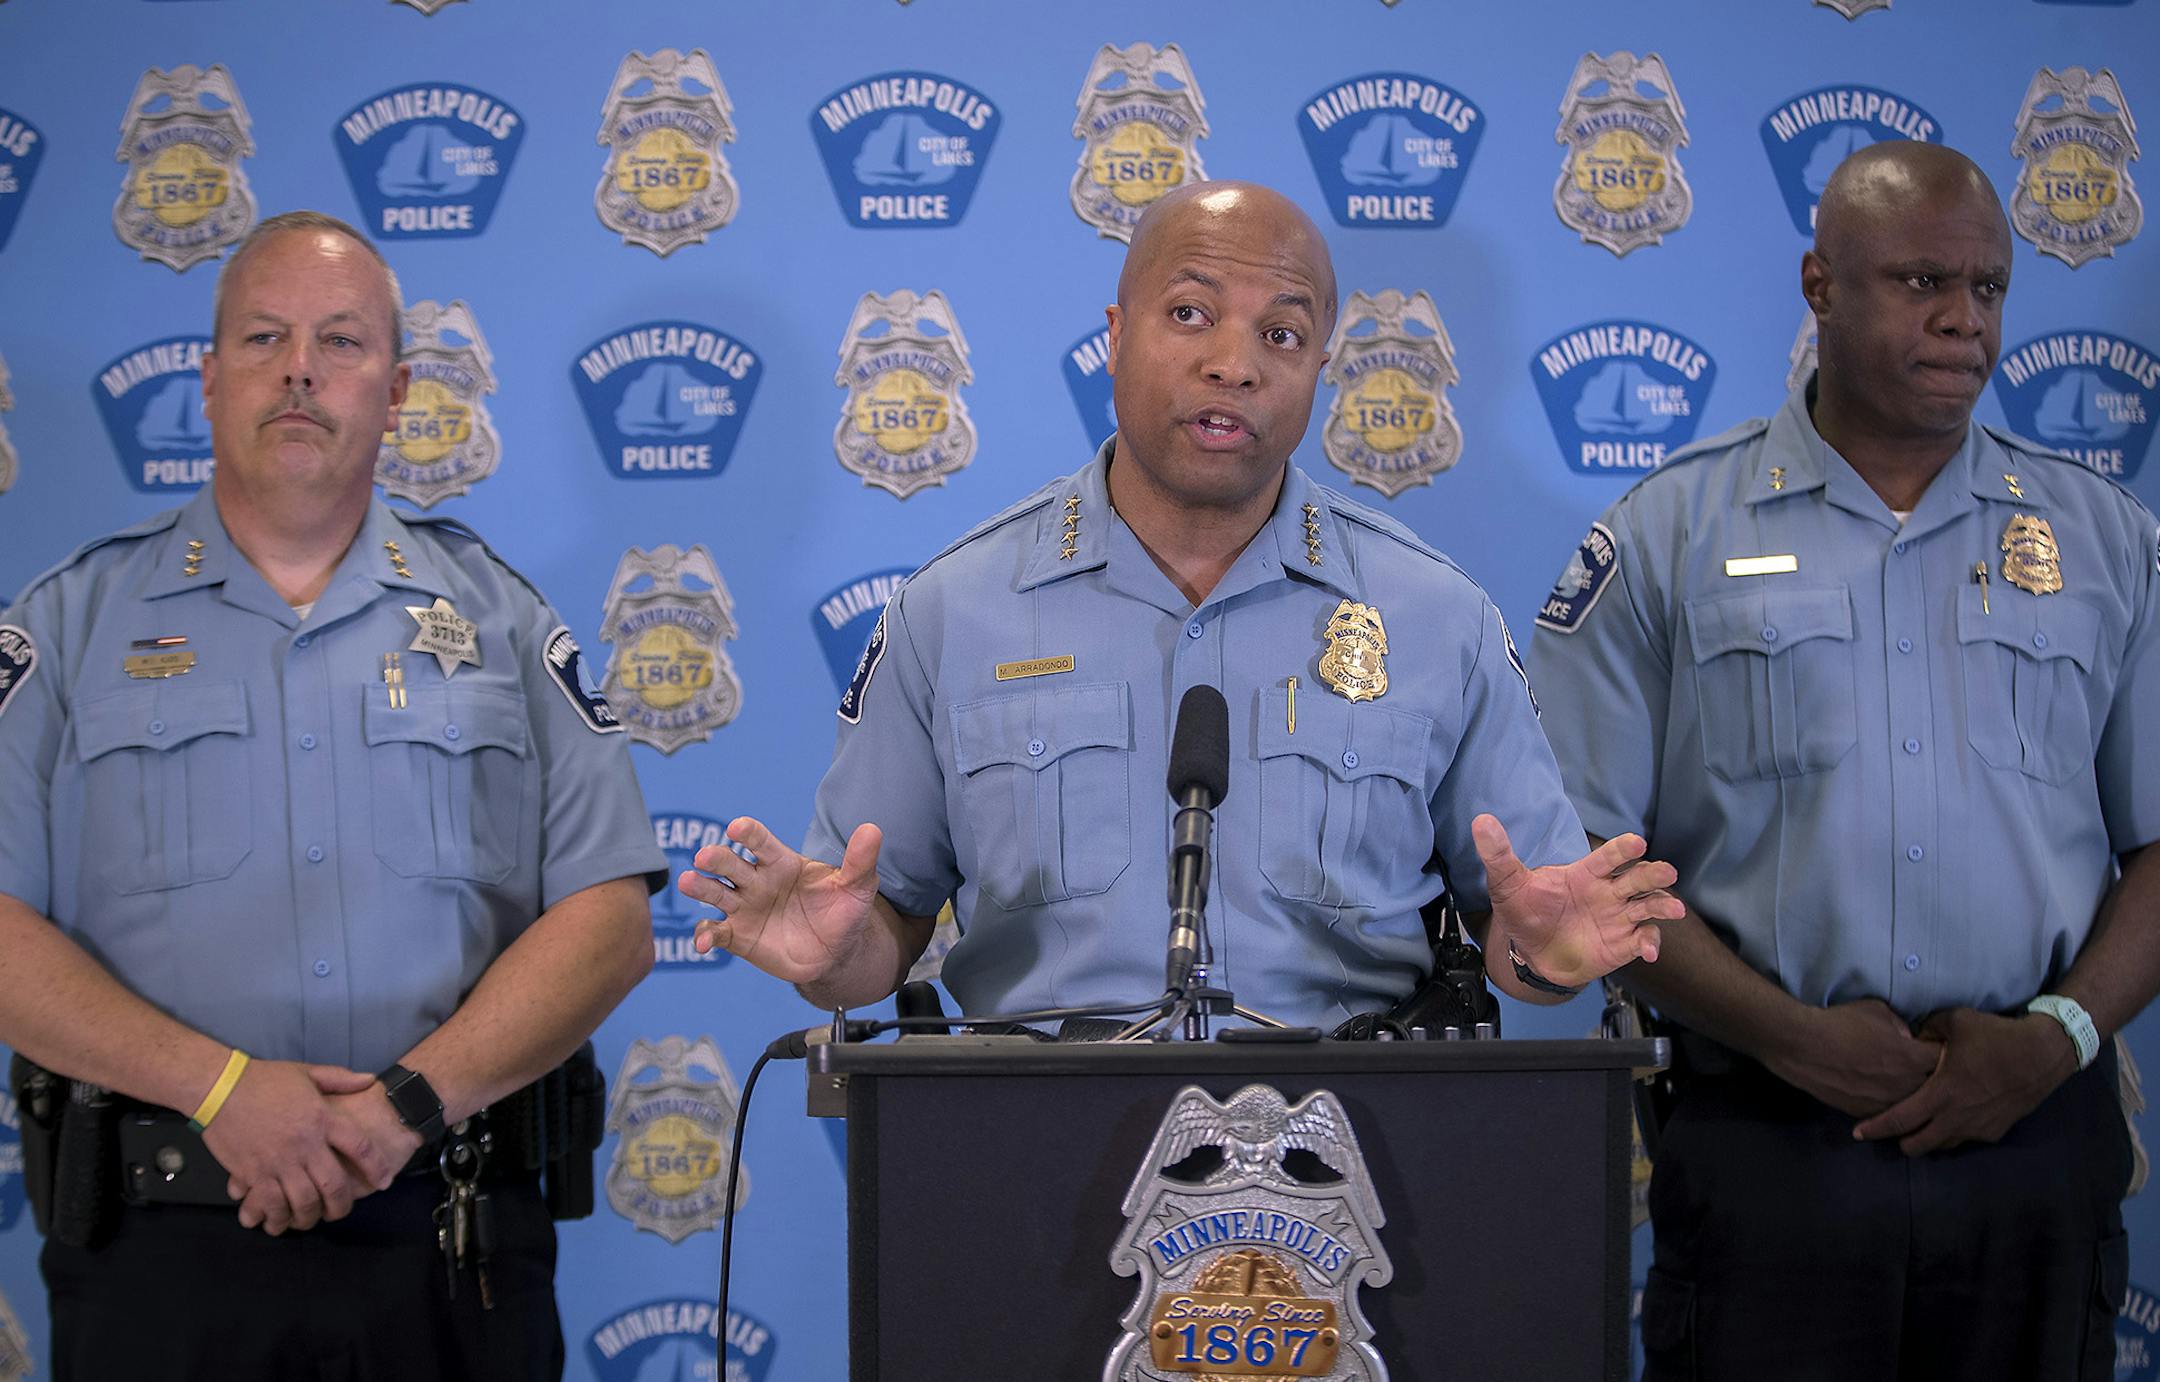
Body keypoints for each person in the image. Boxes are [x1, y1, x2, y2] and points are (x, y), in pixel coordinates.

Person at [679, 181, 1679, 1030]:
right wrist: (833, 958)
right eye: (1191, 313)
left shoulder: (1437, 616)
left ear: (1320, 373)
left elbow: (1527, 933)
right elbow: (876, 931)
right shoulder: (953, 611)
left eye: (1281, 333)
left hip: (1360, 1161)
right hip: (1032, 1159)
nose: (1235, 363)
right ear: (1114, 338)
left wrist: (1547, 956)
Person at [1527, 142, 2160, 1381]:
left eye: (1986, 289)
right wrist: (1790, 1035)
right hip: (1770, 1141)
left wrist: (2059, 1036)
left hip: (2031, 1131)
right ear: (1820, 284)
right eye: (1922, 280)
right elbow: (1585, 863)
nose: (1962, 322)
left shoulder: (2106, 540)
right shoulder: (1667, 534)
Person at [0, 211, 665, 1381]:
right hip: (158, 1257)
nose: (300, 367)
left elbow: (607, 917)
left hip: (448, 1242)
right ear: (207, 383)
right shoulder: (69, 624)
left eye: (341, 340)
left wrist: (403, 1105)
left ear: (398, 387)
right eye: (263, 337)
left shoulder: (502, 619)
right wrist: (220, 1089)